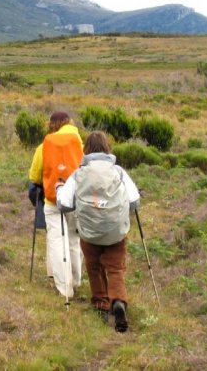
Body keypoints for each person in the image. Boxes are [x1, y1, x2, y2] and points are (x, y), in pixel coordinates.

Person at [56, 131, 141, 333]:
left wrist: (60, 188)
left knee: (94, 266)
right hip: (116, 231)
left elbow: (64, 204)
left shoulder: (79, 173)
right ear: (107, 148)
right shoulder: (118, 171)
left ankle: (101, 305)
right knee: (115, 268)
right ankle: (118, 302)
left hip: (89, 232)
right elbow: (134, 201)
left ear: (86, 149)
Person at [27, 111, 83, 299]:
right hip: (76, 199)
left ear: (52, 124)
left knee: (58, 242)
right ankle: (76, 281)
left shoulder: (45, 145)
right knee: (74, 240)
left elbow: (34, 176)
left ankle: (65, 288)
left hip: (53, 199)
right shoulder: (80, 143)